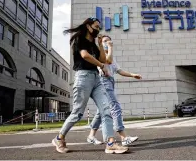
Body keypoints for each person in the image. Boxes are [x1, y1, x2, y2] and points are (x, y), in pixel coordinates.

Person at [51, 18, 128, 154]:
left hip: (96, 79)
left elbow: (104, 60)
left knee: (106, 109)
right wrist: (101, 65)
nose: (98, 29)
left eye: (99, 27)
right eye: (96, 27)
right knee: (77, 113)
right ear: (88, 26)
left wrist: (99, 45)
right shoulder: (80, 40)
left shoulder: (93, 44)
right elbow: (85, 56)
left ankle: (110, 142)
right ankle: (59, 138)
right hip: (83, 77)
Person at [87, 35, 142, 146]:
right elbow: (109, 60)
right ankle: (123, 137)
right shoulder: (99, 54)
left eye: (109, 40)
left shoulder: (111, 56)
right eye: (105, 41)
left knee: (102, 110)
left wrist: (132, 75)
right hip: (103, 81)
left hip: (110, 82)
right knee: (115, 106)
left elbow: (119, 70)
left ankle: (91, 135)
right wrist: (110, 47)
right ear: (100, 43)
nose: (108, 42)